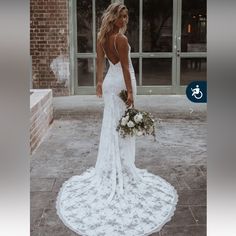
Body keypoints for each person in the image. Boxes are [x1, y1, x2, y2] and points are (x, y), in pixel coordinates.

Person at [56, 3, 178, 236]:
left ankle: (116, 164)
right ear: (114, 17)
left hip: (110, 84)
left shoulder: (102, 37)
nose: (125, 21)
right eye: (122, 17)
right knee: (123, 126)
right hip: (121, 83)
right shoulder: (119, 39)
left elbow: (101, 63)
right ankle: (122, 165)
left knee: (113, 126)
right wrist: (131, 92)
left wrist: (99, 83)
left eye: (126, 17)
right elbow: (125, 66)